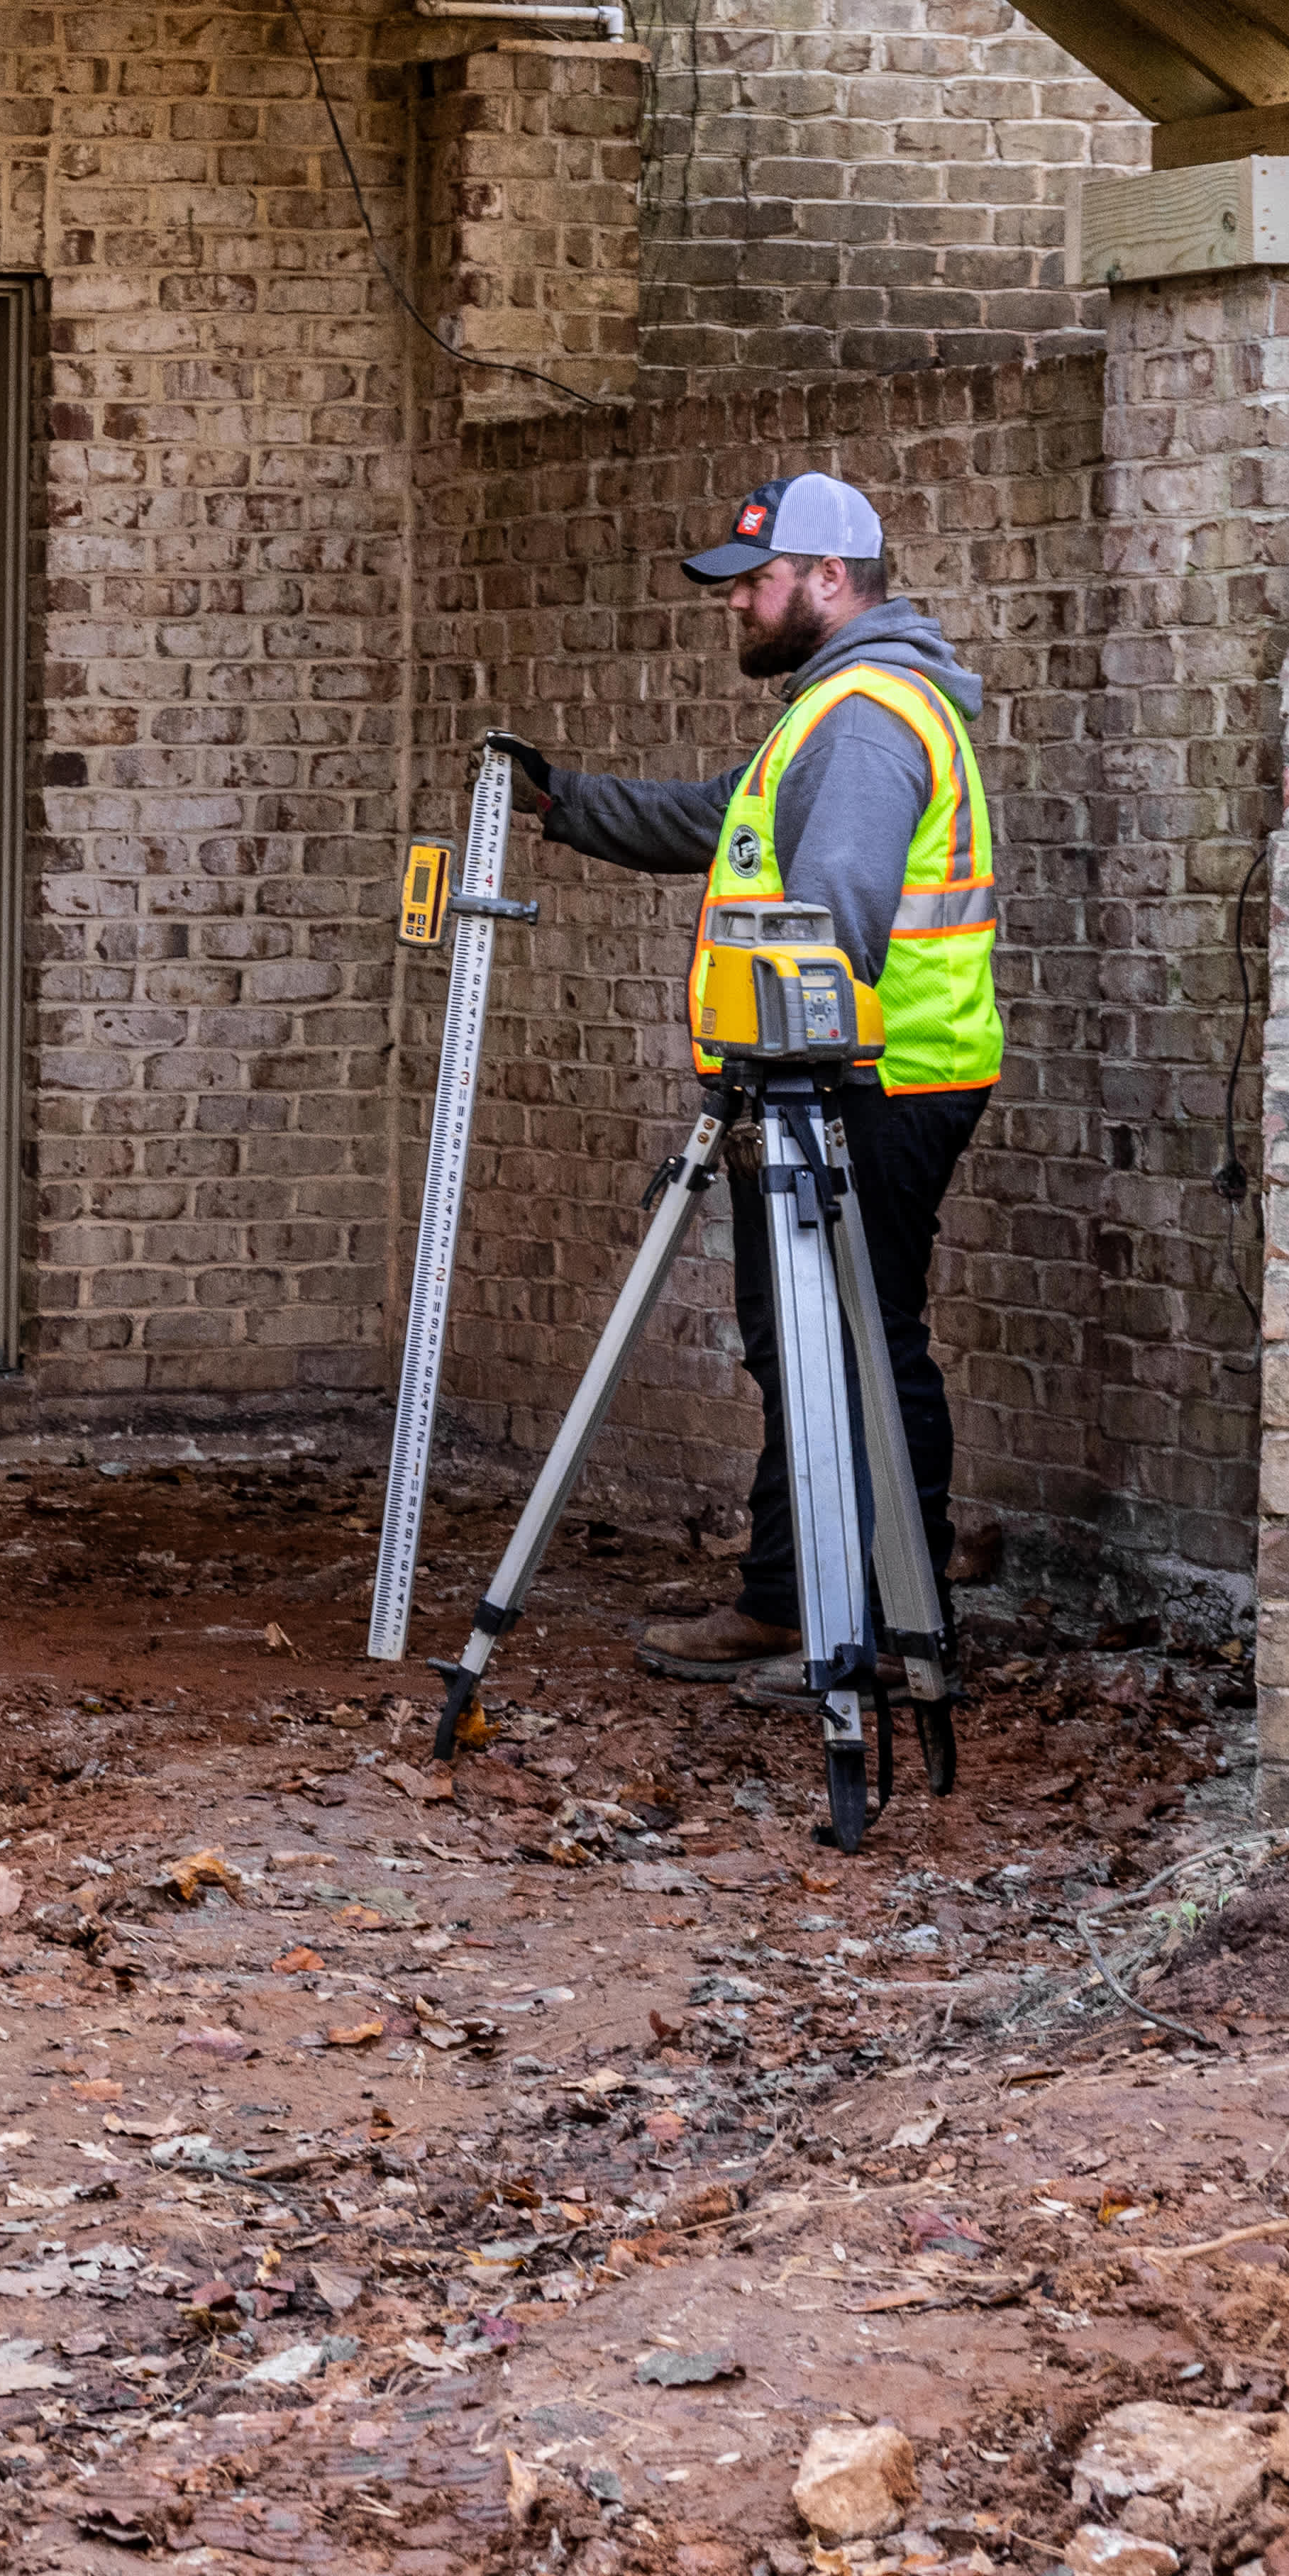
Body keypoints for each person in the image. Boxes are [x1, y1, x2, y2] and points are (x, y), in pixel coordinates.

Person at [491, 471, 1002, 1687]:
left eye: (756, 583)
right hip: (851, 1075)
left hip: (871, 1080)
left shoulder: (870, 717)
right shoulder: (831, 710)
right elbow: (720, 822)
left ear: (830, 579)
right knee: (806, 1342)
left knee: (863, 1346)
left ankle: (883, 1629)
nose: (737, 605)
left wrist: (791, 1068)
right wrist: (561, 801)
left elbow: (836, 914)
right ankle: (791, 1598)